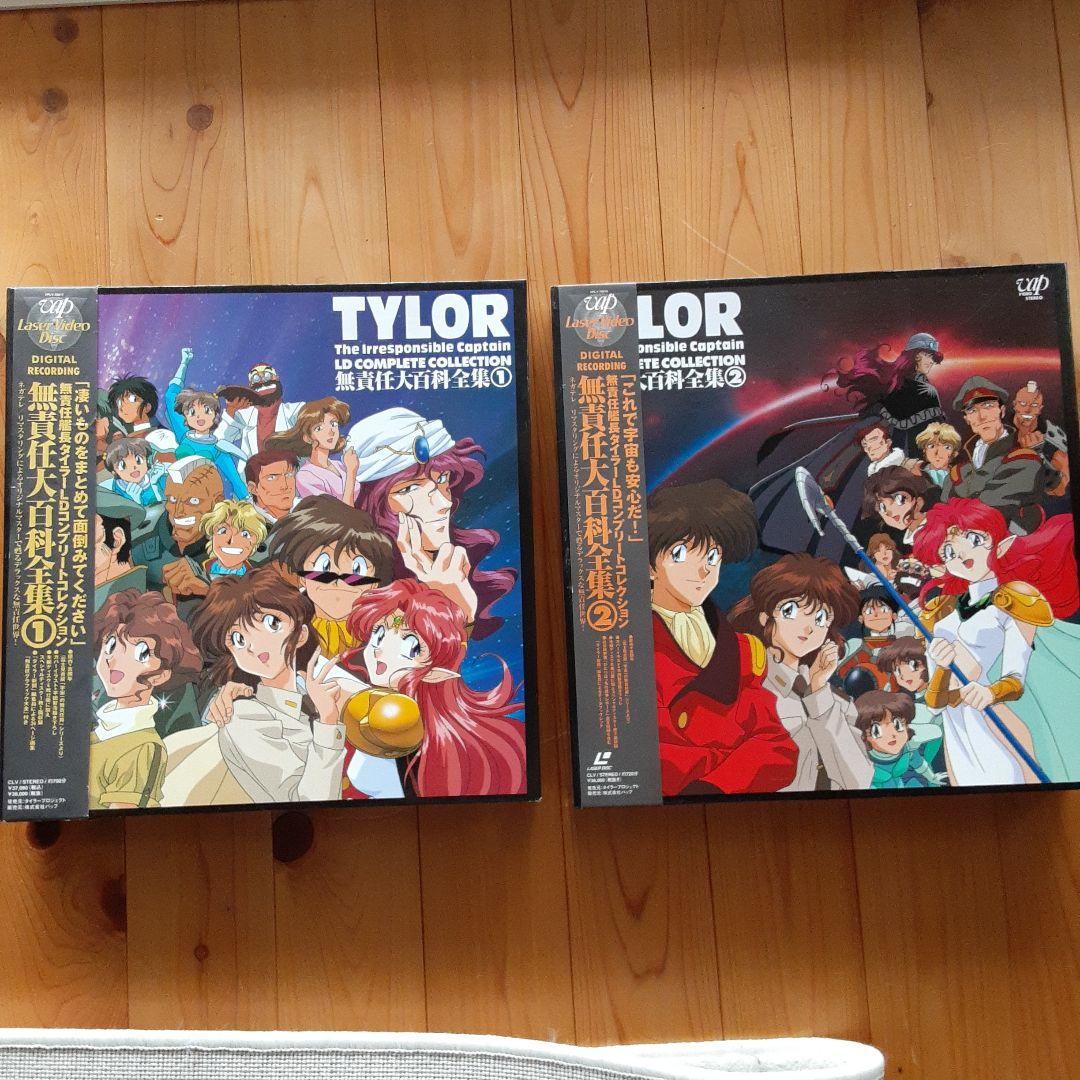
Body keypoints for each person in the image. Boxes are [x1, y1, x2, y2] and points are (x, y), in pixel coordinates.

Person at [912, 498, 1080, 785]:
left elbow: (1015, 680)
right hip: (957, 730)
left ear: (1000, 545)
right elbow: (935, 703)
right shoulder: (941, 615)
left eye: (975, 540)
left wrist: (990, 693)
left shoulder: (1010, 602)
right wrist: (942, 667)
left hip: (991, 720)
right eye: (949, 551)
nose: (962, 553)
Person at [646, 480, 797, 796]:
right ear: (649, 566)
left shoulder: (743, 650)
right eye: (680, 553)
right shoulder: (629, 646)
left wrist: (716, 782)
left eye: (713, 556)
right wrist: (733, 758)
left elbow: (777, 747)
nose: (702, 570)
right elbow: (655, 759)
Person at [343, 578, 527, 798]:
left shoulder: (426, 733)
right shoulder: (361, 704)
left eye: (410, 645)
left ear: (436, 669)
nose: (379, 650)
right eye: (379, 634)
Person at [188, 567, 349, 804]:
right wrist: (328, 722)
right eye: (238, 639)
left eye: (271, 623)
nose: (254, 645)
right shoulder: (244, 717)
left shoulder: (314, 692)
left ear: (301, 634)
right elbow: (309, 801)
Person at [350, 407, 515, 638]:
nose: (442, 503)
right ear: (373, 507)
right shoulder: (354, 586)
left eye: (442, 479)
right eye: (409, 489)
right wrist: (457, 611)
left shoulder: (460, 571)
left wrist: (460, 607)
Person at [729, 554, 872, 792]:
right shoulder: (744, 688)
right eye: (792, 610)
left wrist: (818, 693)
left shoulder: (833, 700)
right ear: (765, 616)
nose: (808, 627)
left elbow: (857, 782)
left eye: (821, 617)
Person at [91, 590, 201, 810]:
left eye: (140, 653)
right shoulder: (99, 731)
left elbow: (121, 817)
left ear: (161, 675)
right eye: (110, 644)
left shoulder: (144, 749)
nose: (114, 659)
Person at [266, 495, 394, 656]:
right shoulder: (285, 626)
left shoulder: (385, 629)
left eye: (357, 569)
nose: (339, 581)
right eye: (324, 566)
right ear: (302, 577)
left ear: (374, 582)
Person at [942, 376, 1048, 534]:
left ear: (1002, 411)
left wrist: (958, 508)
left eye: (988, 406)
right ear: (967, 419)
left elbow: (991, 508)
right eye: (972, 410)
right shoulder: (958, 469)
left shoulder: (1024, 456)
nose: (981, 416)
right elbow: (942, 512)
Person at [165, 348, 249, 497]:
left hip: (199, 497)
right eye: (193, 412)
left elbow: (235, 480)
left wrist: (247, 502)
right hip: (173, 493)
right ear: (186, 416)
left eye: (206, 411)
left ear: (215, 415)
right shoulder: (183, 434)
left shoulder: (218, 448)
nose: (200, 417)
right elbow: (170, 395)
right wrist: (184, 362)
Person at [265, 397, 360, 505]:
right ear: (308, 438)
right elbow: (342, 512)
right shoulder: (306, 476)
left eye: (333, 424)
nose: (331, 432)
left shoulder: (339, 465)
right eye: (319, 428)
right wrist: (351, 472)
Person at [853, 691, 945, 789]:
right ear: (864, 736)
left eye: (897, 725)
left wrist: (932, 778)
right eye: (877, 731)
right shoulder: (863, 759)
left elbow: (919, 764)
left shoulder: (907, 749)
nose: (892, 734)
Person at [215, 364, 305, 459]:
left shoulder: (296, 410)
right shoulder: (243, 416)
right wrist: (230, 412)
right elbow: (218, 441)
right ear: (250, 386)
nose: (262, 381)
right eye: (256, 378)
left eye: (267, 375)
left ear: (277, 378)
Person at [1011, 380, 1069, 497]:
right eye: (1023, 403)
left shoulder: (1055, 439)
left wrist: (1037, 456)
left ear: (1040, 409)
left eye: (1034, 405)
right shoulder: (1001, 431)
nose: (1028, 410)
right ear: (1014, 405)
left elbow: (1060, 490)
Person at [195, 499, 267, 582]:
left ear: (256, 541)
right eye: (223, 531)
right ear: (212, 536)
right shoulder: (197, 567)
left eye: (245, 534)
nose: (232, 541)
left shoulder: (259, 577)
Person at [100, 437, 168, 506]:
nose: (133, 467)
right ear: (114, 472)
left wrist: (154, 484)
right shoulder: (116, 492)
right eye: (123, 465)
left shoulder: (159, 478)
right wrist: (135, 501)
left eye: (138, 460)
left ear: (146, 460)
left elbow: (168, 506)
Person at [245, 450, 300, 524]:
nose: (284, 486)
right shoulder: (244, 522)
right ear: (253, 488)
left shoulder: (307, 508)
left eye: (289, 475)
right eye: (272, 478)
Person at [915, 422, 962, 487]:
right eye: (932, 446)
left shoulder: (961, 474)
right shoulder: (916, 474)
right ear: (924, 450)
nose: (939, 452)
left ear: (954, 452)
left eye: (946, 447)